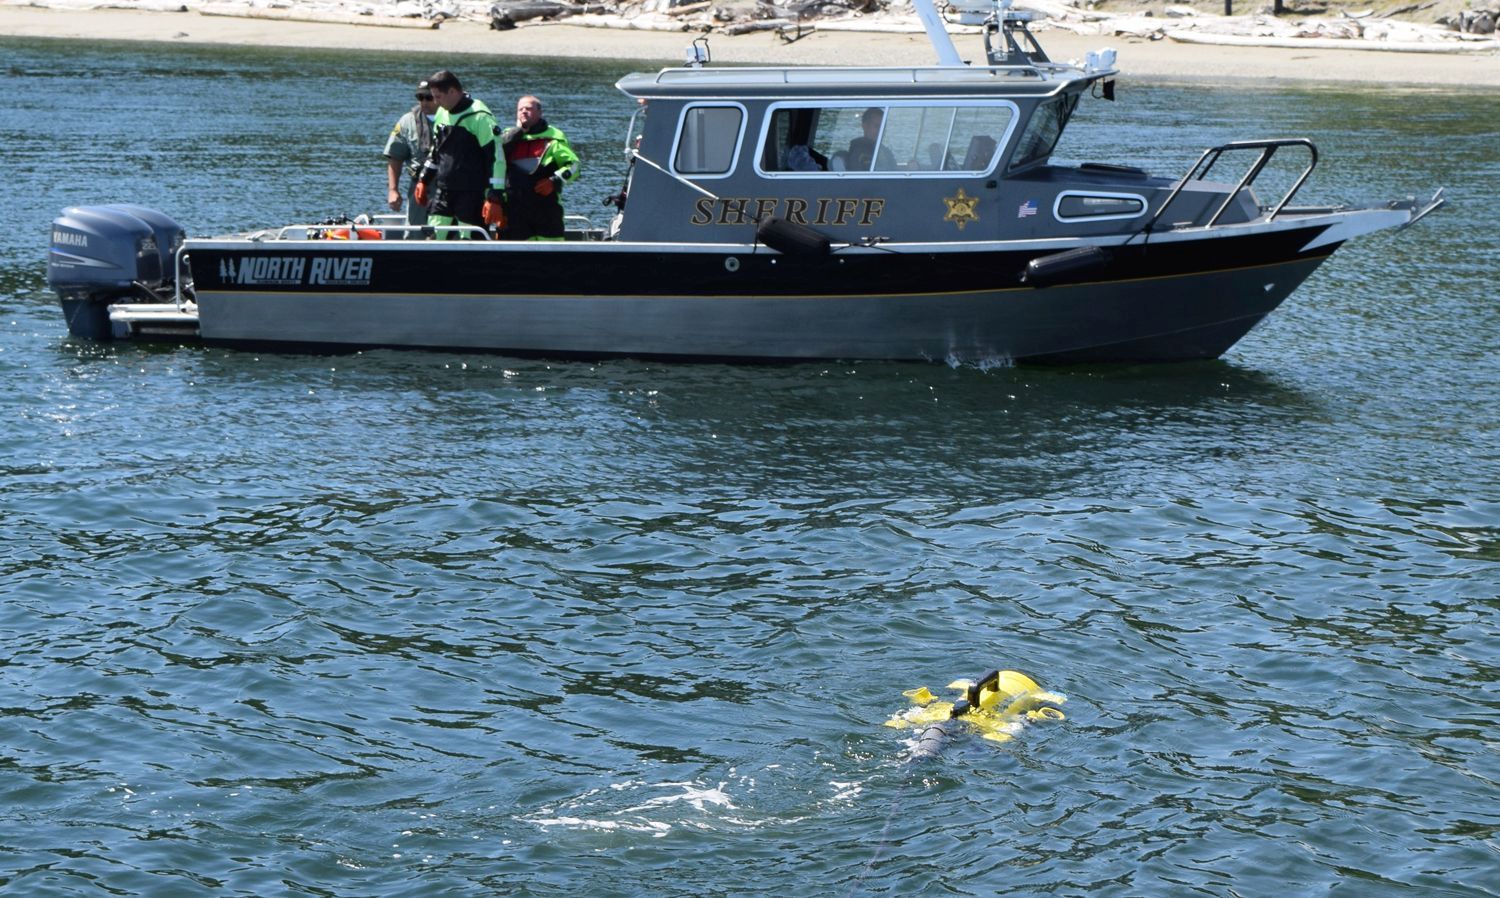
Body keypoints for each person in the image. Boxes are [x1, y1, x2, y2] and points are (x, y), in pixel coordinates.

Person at [412, 70, 505, 239]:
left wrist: (495, 197)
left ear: (453, 92)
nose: (436, 102)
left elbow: (496, 159)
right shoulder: (442, 113)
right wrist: (424, 179)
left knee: (469, 241)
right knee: (433, 239)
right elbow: (436, 151)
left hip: (471, 193)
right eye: (434, 97)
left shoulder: (480, 117)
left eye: (438, 97)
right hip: (444, 191)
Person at [497, 95, 579, 241]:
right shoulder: (507, 137)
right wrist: (494, 200)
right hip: (514, 212)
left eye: (528, 108)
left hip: (546, 212)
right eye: (520, 109)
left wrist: (554, 181)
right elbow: (494, 165)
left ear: (540, 113)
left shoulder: (553, 138)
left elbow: (574, 166)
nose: (524, 112)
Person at [382, 81, 438, 230]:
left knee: (449, 235)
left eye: (428, 97)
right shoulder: (407, 121)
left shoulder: (453, 118)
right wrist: (393, 190)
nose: (424, 102)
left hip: (447, 187)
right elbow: (395, 157)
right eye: (420, 97)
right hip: (419, 188)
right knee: (415, 233)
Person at [846, 107, 896, 172]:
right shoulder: (859, 153)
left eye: (883, 127)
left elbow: (894, 169)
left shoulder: (884, 151)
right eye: (877, 126)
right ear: (865, 126)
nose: (881, 131)